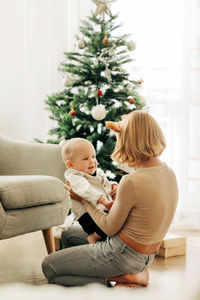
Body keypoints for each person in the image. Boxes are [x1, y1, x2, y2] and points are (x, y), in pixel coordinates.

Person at [42, 110, 178, 288]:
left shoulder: (132, 181)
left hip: (121, 253)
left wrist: (82, 200)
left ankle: (127, 277)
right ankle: (100, 268)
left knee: (49, 267)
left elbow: (109, 228)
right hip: (147, 255)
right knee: (69, 235)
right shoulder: (169, 172)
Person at [61, 138, 117, 244]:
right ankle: (94, 236)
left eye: (93, 156)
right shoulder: (74, 177)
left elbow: (105, 184)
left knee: (117, 219)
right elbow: (87, 191)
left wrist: (113, 186)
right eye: (85, 158)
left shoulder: (98, 172)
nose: (92, 161)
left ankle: (103, 237)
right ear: (70, 165)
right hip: (87, 216)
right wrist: (104, 201)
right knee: (112, 223)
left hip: (100, 210)